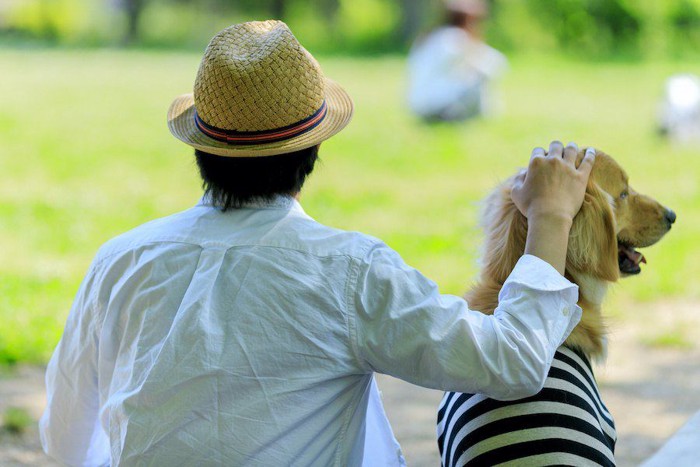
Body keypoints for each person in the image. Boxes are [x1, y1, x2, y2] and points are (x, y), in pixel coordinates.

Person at [40, 20, 595, 466]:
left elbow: (64, 436)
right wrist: (549, 216)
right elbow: (510, 362)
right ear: (311, 155)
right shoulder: (349, 270)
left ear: (202, 150)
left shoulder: (122, 259)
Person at [407, 0, 507, 121]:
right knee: (478, 78)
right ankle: (487, 116)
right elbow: (496, 65)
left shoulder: (431, 36)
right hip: (437, 106)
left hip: (419, 107)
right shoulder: (454, 38)